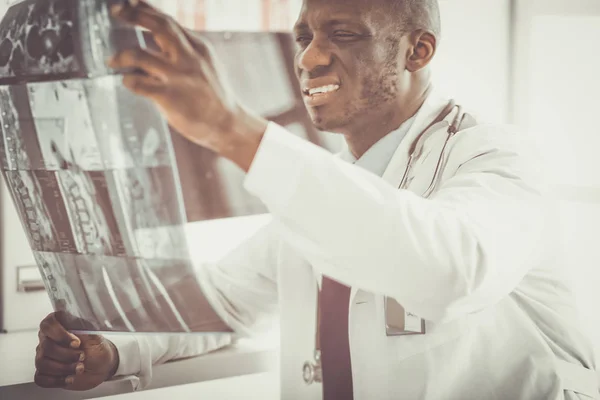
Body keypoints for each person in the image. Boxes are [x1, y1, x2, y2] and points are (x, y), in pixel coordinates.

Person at [33, 0, 599, 399]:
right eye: (304, 36)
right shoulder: (328, 186)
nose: (308, 59)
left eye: (344, 34)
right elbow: (225, 301)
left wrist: (232, 129)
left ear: (417, 50)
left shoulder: (498, 157)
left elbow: (449, 268)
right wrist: (108, 346)